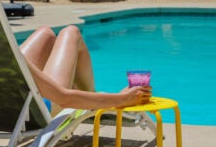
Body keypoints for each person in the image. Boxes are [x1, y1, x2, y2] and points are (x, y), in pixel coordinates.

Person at [20, 25, 152, 116]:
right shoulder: (4, 45)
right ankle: (90, 96)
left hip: (9, 105)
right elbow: (64, 99)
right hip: (34, 112)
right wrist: (122, 99)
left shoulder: (2, 49)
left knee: (46, 33)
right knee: (71, 32)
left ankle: (88, 93)